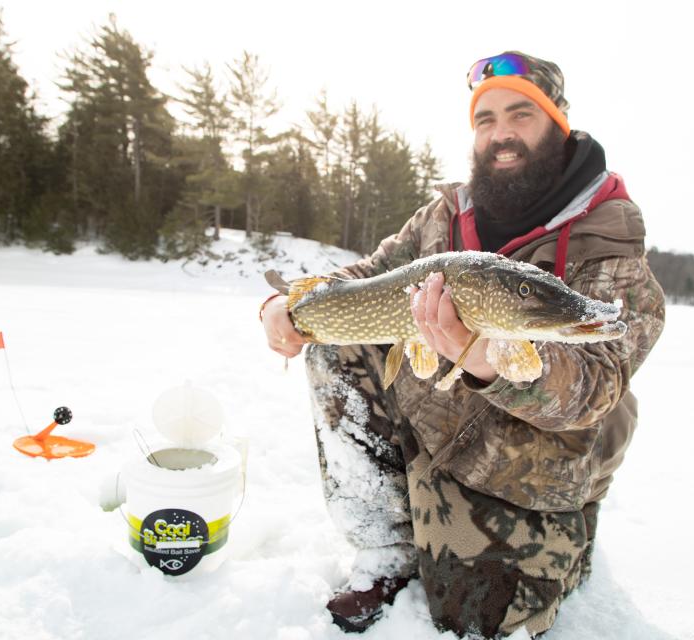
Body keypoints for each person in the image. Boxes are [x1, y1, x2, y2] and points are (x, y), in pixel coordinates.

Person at [259, 51, 665, 638]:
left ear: (559, 125)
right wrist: (285, 307)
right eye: (485, 119)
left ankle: (565, 533)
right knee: (335, 342)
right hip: (440, 420)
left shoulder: (609, 239)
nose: (501, 135)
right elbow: (364, 278)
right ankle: (388, 547)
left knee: (476, 619)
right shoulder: (444, 216)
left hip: (533, 463)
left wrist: (484, 356)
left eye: (521, 115)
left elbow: (596, 386)